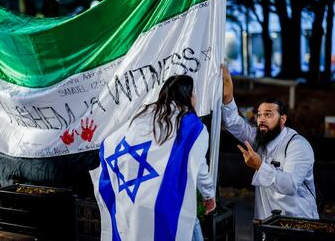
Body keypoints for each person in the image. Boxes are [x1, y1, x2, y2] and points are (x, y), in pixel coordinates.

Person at [90, 75, 216, 241]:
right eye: (194, 93)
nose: (196, 98)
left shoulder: (144, 114)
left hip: (132, 201)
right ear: (188, 95)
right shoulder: (192, 126)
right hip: (167, 204)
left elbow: (115, 143)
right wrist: (208, 195)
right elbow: (199, 167)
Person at [221, 65, 319, 220]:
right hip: (267, 222)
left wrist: (260, 166)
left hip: (298, 224)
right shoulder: (259, 138)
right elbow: (233, 123)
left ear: (283, 119)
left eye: (268, 114)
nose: (261, 119)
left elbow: (290, 185)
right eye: (259, 115)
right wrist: (228, 93)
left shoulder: (298, 145)